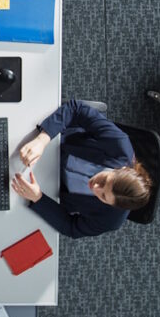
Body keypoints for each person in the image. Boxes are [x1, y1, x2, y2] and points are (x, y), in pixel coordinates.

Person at [11, 100, 152, 239]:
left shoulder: (111, 220)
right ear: (120, 169)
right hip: (53, 142)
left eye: (103, 196)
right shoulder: (120, 146)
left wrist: (38, 198)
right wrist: (42, 140)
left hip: (46, 184)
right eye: (104, 181)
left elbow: (71, 227)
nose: (95, 187)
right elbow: (77, 109)